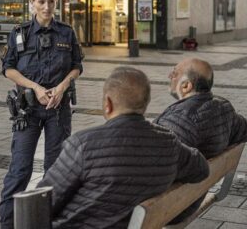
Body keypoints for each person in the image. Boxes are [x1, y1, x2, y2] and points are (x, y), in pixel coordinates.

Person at [37, 67, 210, 229]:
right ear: (146, 103)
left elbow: (41, 203)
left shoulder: (83, 145)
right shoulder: (169, 143)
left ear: (108, 103)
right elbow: (201, 170)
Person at [0, 0, 83, 229]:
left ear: (56, 2)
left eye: (51, 1)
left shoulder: (67, 32)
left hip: (58, 110)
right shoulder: (19, 33)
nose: (46, 7)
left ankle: (47, 222)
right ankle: (8, 224)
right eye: (41, 1)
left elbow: (77, 66)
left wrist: (62, 87)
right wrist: (35, 87)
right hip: (28, 110)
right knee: (20, 170)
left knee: (56, 170)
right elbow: (8, 69)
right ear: (32, 3)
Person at [154, 57, 247, 224]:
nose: (170, 76)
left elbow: (157, 169)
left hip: (171, 209)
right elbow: (245, 132)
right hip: (189, 199)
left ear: (186, 85)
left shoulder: (181, 120)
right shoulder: (223, 109)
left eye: (175, 73)